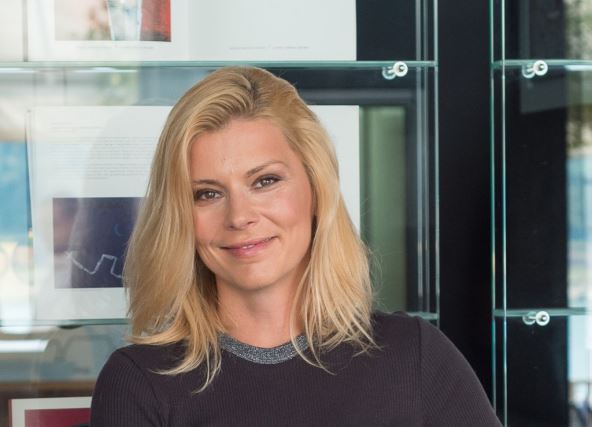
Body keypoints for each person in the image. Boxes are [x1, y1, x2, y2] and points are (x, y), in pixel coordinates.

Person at [90, 66, 502, 426]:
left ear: (316, 188)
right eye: (207, 194)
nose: (239, 216)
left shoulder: (415, 356)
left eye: (265, 181)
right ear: (180, 216)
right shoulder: (139, 382)